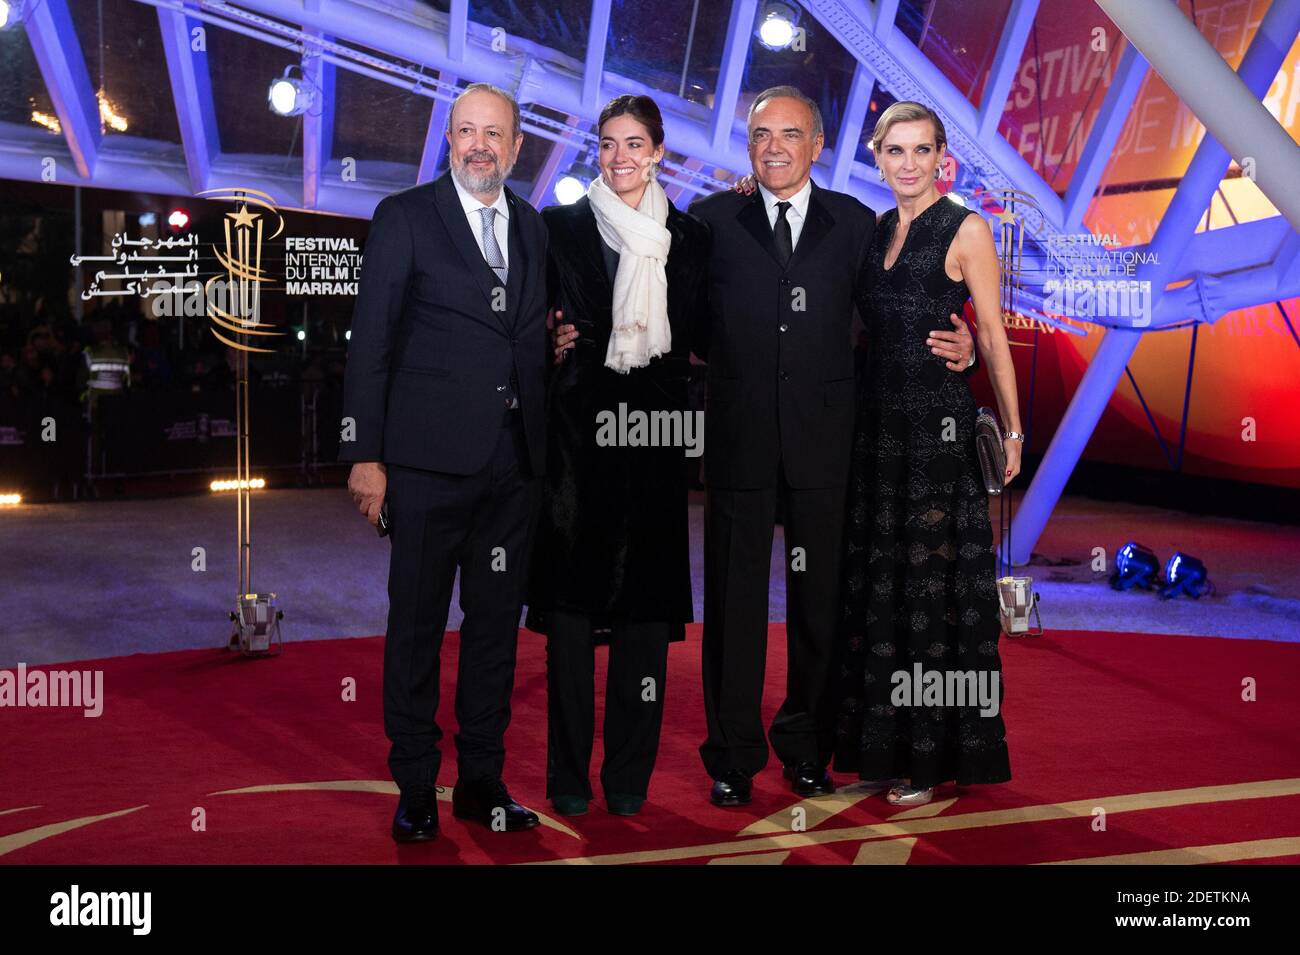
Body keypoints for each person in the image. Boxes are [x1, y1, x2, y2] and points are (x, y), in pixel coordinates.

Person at [340, 82, 550, 842]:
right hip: (425, 466)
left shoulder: (531, 227)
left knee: (495, 630)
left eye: (495, 133)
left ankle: (483, 781)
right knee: (418, 626)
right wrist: (365, 454)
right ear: (449, 139)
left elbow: (522, 335)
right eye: (467, 131)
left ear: (517, 146)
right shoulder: (404, 218)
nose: (480, 145)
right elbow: (371, 344)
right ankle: (418, 785)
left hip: (511, 467)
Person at [526, 94, 710, 818]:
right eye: (608, 144)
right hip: (578, 441)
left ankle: (628, 775)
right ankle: (568, 775)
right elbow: (525, 323)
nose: (621, 157)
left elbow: (709, 332)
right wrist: (544, 344)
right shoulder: (559, 227)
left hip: (657, 443)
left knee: (643, 620)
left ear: (659, 151)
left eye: (635, 144)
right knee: (569, 619)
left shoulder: (691, 238)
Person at [834, 101, 1021, 807]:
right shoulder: (875, 229)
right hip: (877, 437)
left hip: (936, 438)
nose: (908, 163)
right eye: (895, 150)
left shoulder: (965, 226)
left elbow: (994, 334)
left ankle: (930, 758)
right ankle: (882, 748)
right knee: (880, 590)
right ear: (878, 156)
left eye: (922, 150)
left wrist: (1013, 429)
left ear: (942, 156)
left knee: (931, 595)